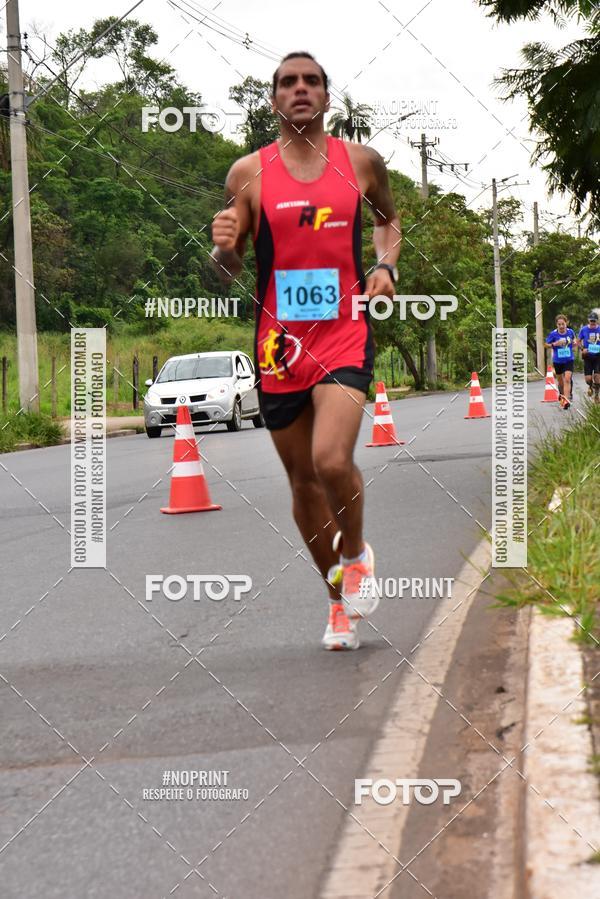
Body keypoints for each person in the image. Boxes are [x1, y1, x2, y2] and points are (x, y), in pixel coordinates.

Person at [210, 52, 401, 650]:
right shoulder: (249, 173)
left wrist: (386, 266)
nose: (300, 89)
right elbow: (230, 265)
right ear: (273, 99)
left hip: (343, 330)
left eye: (311, 81)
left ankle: (355, 552)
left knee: (331, 460)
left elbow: (388, 222)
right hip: (277, 343)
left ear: (325, 96)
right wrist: (223, 251)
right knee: (301, 484)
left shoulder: (361, 162)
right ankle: (336, 599)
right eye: (288, 82)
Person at [545, 314, 576, 409]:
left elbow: (574, 339)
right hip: (558, 361)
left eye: (563, 324)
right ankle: (562, 394)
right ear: (556, 325)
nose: (561, 326)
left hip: (569, 359)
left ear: (566, 323)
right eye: (559, 324)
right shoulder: (553, 334)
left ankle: (566, 400)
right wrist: (554, 344)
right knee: (561, 382)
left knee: (567, 379)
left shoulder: (570, 332)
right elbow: (546, 344)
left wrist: (574, 342)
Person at [578, 311, 600, 403]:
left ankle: (596, 396)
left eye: (594, 321)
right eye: (591, 321)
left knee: (597, 377)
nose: (592, 323)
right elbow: (578, 341)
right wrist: (582, 349)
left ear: (597, 321)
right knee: (588, 379)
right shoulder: (584, 330)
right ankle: (591, 386)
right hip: (587, 356)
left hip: (598, 356)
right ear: (588, 321)